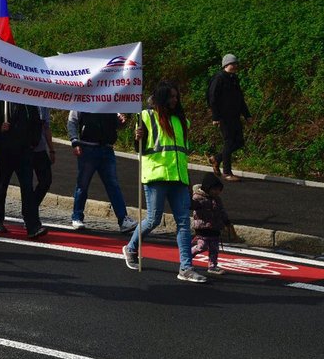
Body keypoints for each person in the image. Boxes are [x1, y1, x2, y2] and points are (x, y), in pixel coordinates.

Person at [123, 80, 206, 283]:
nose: (175, 100)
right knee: (153, 220)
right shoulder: (146, 116)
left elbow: (182, 154)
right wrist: (137, 137)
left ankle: (186, 267)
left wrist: (187, 182)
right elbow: (139, 148)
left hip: (178, 177)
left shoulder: (182, 122)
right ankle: (131, 247)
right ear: (162, 97)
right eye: (171, 96)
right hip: (156, 176)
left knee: (183, 223)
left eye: (177, 97)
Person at [0, 100, 52, 238]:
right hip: (5, 151)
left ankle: (32, 225)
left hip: (24, 152)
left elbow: (36, 123)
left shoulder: (28, 102)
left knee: (27, 188)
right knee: (1, 185)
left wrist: (32, 143)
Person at [67, 110, 137, 233]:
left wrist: (122, 122)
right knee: (83, 185)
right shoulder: (84, 98)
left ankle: (123, 219)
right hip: (88, 147)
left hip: (107, 148)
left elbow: (117, 124)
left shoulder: (111, 101)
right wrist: (74, 140)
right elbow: (72, 120)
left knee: (113, 185)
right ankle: (77, 217)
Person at [208, 53, 251, 182]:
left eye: (236, 64)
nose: (235, 66)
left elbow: (240, 98)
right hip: (224, 116)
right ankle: (227, 173)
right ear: (226, 65)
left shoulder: (234, 79)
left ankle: (217, 158)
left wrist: (247, 115)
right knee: (229, 142)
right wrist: (215, 116)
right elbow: (212, 98)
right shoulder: (219, 78)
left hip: (235, 116)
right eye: (233, 64)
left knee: (239, 142)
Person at [190, 172, 234, 276]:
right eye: (214, 189)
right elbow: (192, 206)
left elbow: (222, 211)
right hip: (202, 228)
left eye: (219, 190)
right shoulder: (198, 198)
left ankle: (213, 266)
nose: (217, 192)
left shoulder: (217, 199)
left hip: (215, 227)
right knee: (202, 246)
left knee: (214, 248)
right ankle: (188, 255)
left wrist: (226, 221)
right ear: (207, 188)